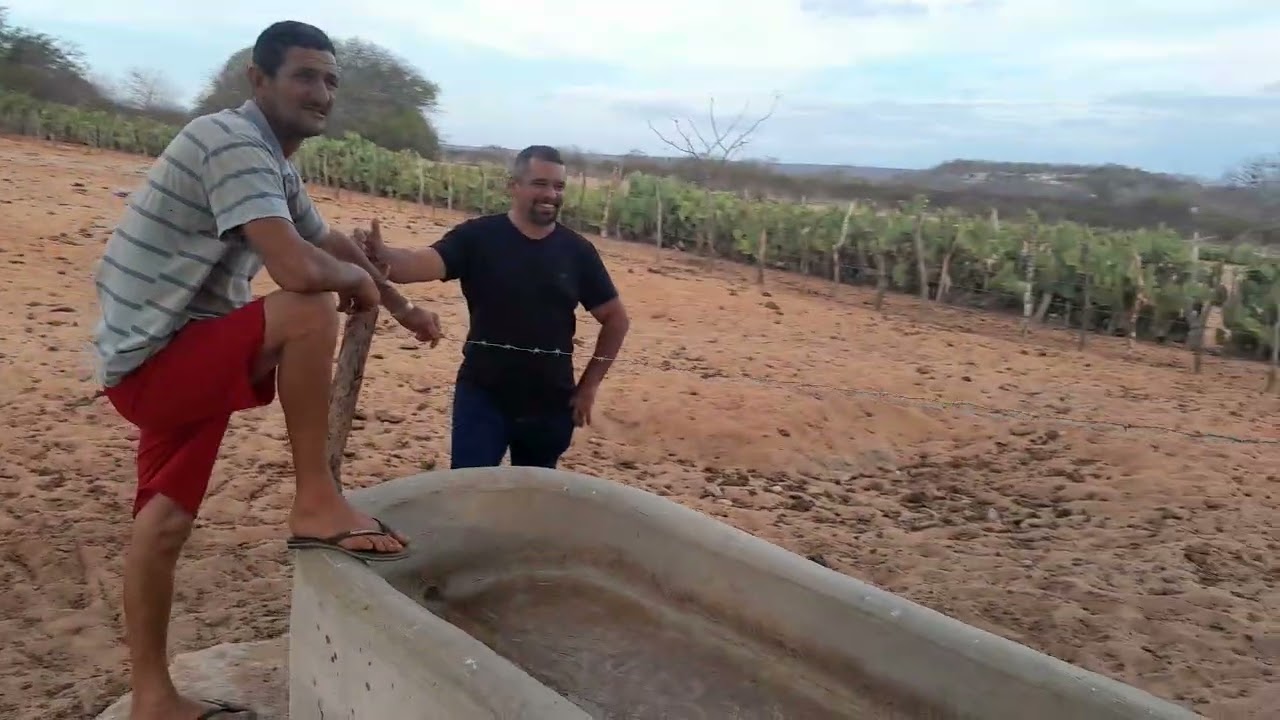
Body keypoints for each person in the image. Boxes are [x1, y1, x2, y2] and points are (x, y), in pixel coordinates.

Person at [90, 21, 442, 720]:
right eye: (305, 76)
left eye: (331, 81)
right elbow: (299, 267)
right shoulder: (232, 142)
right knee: (308, 309)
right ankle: (314, 498)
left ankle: (152, 699)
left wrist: (397, 304)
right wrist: (352, 282)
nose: (321, 93)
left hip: (180, 345)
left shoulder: (274, 162)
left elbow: (327, 239)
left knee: (162, 526)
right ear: (260, 80)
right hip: (158, 355)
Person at [358, 144, 630, 469]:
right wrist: (385, 257)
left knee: (530, 501)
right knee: (470, 494)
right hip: (482, 396)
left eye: (558, 186)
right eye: (540, 183)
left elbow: (615, 319)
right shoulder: (477, 238)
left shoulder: (578, 252)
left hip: (551, 404)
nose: (551, 194)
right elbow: (419, 263)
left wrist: (589, 386)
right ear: (513, 186)